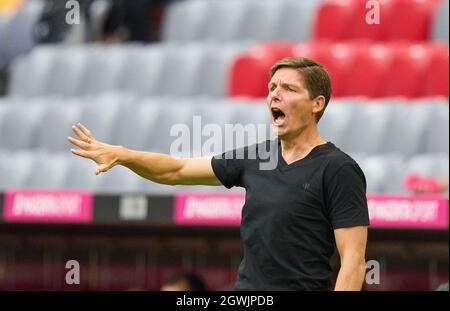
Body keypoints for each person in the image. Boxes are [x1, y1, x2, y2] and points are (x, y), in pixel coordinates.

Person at [68, 57, 370, 291]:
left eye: (289, 89)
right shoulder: (256, 156)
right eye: (272, 88)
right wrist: (125, 155)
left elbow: (353, 263)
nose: (274, 96)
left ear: (317, 104)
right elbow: (177, 170)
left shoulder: (338, 168)